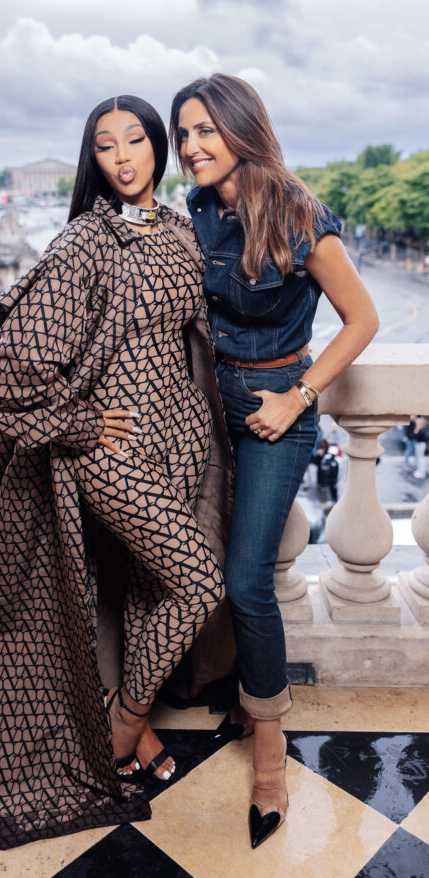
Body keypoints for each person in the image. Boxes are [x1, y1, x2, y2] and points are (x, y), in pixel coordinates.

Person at [0, 95, 235, 849]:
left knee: (147, 591)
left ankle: (130, 716)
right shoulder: (84, 241)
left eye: (135, 140)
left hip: (181, 442)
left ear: (157, 147)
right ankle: (124, 724)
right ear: (93, 158)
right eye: (105, 145)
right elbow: (15, 367)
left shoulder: (180, 228)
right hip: (114, 450)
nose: (122, 157)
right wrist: (82, 424)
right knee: (196, 584)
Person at [170, 74, 379, 848]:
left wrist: (297, 397)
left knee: (246, 578)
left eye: (204, 130)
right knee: (193, 561)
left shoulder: (296, 211)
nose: (190, 146)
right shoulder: (196, 208)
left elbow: (361, 318)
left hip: (272, 411)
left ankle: (267, 740)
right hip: (205, 403)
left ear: (240, 129)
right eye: (182, 133)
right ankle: (227, 690)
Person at [413, 415, 429, 480]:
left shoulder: (421, 431)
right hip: (420, 445)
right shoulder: (421, 430)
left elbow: (416, 436)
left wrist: (416, 431)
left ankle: (421, 473)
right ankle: (420, 471)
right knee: (419, 459)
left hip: (420, 445)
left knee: (420, 459)